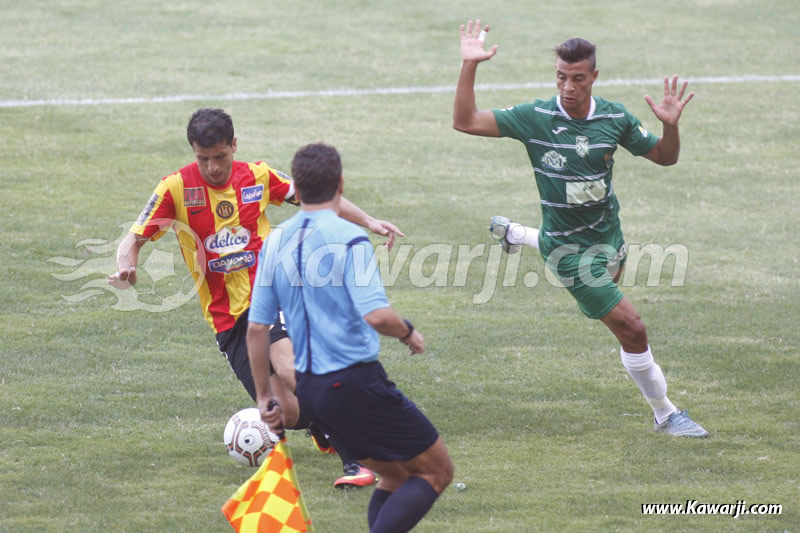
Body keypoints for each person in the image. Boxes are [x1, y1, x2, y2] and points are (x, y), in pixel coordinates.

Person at [108, 108, 403, 486]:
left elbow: (316, 197)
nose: (213, 167)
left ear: (234, 145)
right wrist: (126, 266)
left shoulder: (258, 176)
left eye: (221, 156)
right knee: (285, 412)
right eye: (204, 159)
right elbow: (133, 237)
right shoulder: (175, 188)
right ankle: (324, 426)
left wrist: (370, 222)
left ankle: (360, 460)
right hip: (227, 321)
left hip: (272, 295)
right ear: (193, 151)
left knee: (293, 369)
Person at [453, 20, 708, 437]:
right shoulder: (534, 118)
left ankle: (517, 234)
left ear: (593, 77)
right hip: (569, 252)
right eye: (560, 77)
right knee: (632, 325)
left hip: (608, 236)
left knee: (615, 299)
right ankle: (666, 413)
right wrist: (470, 65)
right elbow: (465, 120)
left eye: (576, 78)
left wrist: (671, 125)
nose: (567, 87)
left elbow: (665, 157)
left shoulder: (614, 118)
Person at [247, 142, 454, 532]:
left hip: (311, 391)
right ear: (340, 183)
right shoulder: (349, 238)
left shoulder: (275, 241)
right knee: (435, 472)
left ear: (299, 189)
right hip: (356, 383)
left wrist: (263, 394)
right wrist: (409, 332)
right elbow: (376, 315)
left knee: (394, 477)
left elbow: (258, 328)